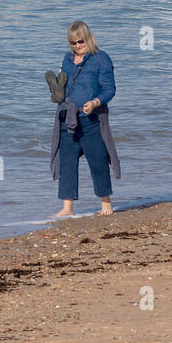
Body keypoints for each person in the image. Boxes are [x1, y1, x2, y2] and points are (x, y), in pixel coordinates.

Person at [50, 21, 120, 218]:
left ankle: (106, 202)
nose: (77, 46)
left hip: (92, 118)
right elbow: (63, 85)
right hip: (68, 116)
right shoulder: (67, 59)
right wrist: (57, 93)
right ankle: (67, 207)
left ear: (88, 38)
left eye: (80, 42)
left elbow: (109, 89)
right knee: (67, 162)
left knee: (98, 160)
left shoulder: (101, 59)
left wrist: (96, 102)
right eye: (72, 43)